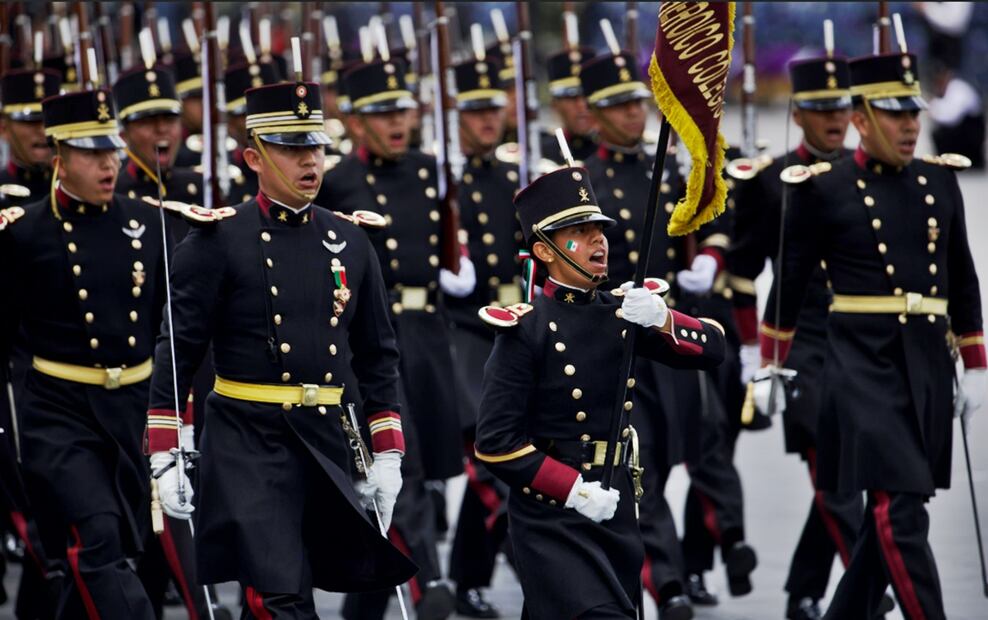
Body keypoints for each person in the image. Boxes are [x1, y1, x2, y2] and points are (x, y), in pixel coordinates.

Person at [145, 79, 416, 617]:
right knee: (280, 593)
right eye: (291, 149)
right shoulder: (218, 240)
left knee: (289, 584)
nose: (309, 161)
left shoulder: (350, 240)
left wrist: (386, 450)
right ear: (254, 157)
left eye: (314, 146)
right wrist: (166, 447)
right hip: (249, 436)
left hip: (326, 437)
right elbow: (178, 348)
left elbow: (377, 355)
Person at [759, 50, 986, 620]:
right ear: (860, 117)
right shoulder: (823, 188)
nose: (910, 125)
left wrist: (976, 362)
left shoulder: (939, 181)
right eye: (893, 114)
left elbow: (962, 276)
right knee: (897, 509)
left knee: (896, 513)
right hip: (860, 364)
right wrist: (771, 365)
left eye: (913, 113)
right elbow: (786, 284)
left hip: (926, 364)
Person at [475, 164, 726, 619]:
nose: (598, 241)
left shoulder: (623, 313)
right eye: (579, 231)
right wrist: (571, 489)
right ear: (544, 251)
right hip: (553, 515)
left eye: (599, 229)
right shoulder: (525, 330)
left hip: (617, 502)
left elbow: (713, 349)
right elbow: (495, 444)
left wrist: (663, 319)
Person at [580, 49, 751, 618]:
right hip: (618, 341)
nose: (634, 114)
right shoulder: (585, 180)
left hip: (671, 331)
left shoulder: (675, 165)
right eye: (619, 105)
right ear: (593, 113)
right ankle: (668, 582)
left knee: (703, 443)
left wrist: (712, 255)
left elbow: (718, 214)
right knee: (640, 463)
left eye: (637, 102)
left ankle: (721, 543)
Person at [728, 55, 881, 620]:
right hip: (801, 343)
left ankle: (803, 590)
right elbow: (742, 273)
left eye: (842, 106)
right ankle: (870, 590)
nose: (834, 118)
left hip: (864, 342)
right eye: (821, 109)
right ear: (798, 114)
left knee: (847, 476)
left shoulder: (871, 173)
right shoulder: (771, 182)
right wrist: (753, 355)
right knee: (833, 475)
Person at [0, 88, 162, 618]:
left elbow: (172, 326)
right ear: (59, 157)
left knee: (119, 554)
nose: (108, 163)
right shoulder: (25, 234)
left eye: (110, 150)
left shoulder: (146, 223)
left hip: (130, 410)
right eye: (91, 153)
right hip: (58, 411)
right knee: (96, 538)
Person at [321, 58, 469, 620]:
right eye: (382, 113)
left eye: (402, 109)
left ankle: (362, 610)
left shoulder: (432, 170)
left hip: (428, 334)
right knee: (392, 462)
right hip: (366, 341)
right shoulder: (338, 182)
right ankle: (430, 576)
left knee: (425, 470)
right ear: (356, 122)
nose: (397, 122)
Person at [445, 52, 520, 619]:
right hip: (466, 329)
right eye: (474, 111)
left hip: (514, 322)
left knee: (507, 454)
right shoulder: (442, 177)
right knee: (486, 456)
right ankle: (524, 554)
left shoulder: (514, 175)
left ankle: (468, 575)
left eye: (493, 108)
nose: (487, 120)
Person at [540, 46, 598, 165]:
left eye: (587, 96)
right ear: (554, 105)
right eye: (572, 98)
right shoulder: (541, 154)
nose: (582, 106)